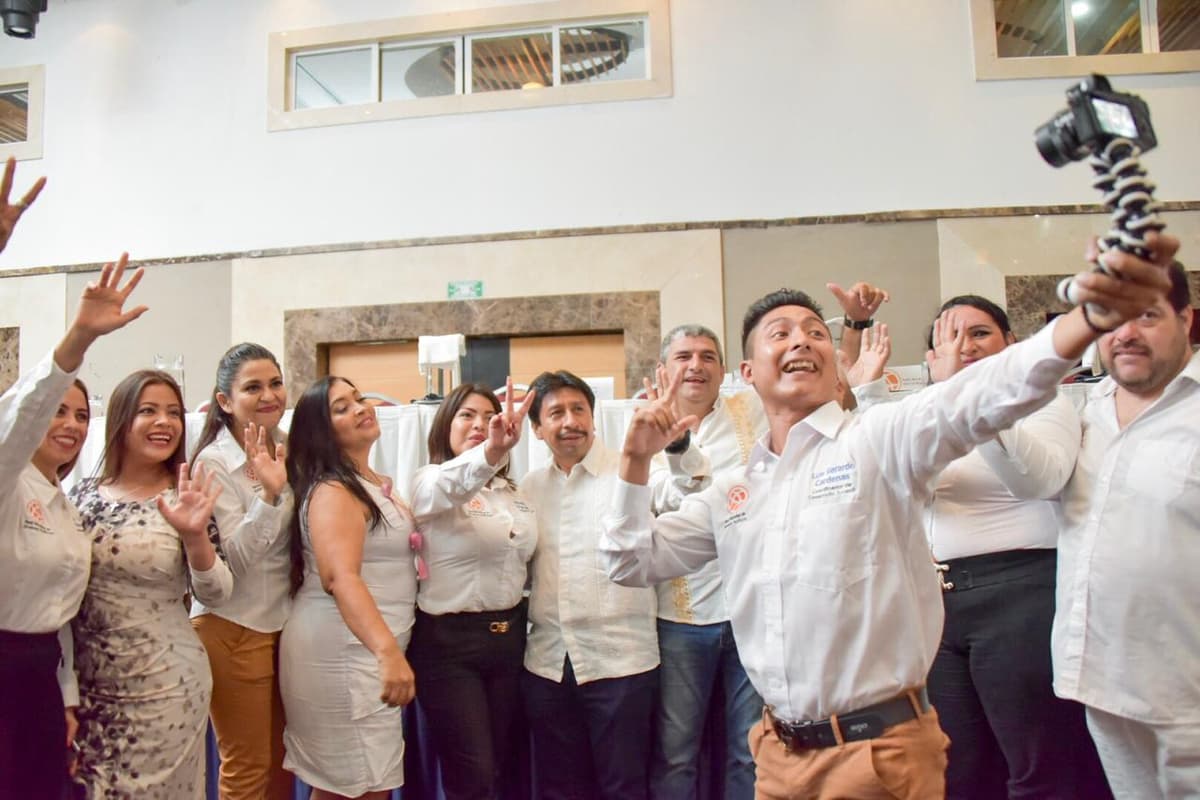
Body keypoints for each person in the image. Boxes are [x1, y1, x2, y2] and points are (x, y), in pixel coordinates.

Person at [598, 235, 1175, 799]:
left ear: (836, 365)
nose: (803, 340)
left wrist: (1087, 319)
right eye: (781, 333)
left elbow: (980, 396)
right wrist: (633, 460)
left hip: (878, 757)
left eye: (816, 333)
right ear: (748, 373)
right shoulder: (735, 492)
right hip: (775, 759)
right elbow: (629, 560)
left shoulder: (878, 440)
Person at [922, 295, 1109, 799]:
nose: (964, 346)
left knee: (1037, 767)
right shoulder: (921, 412)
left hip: (1021, 593)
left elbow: (1040, 479)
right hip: (939, 604)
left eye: (979, 332)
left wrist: (969, 398)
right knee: (956, 770)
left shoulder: (1045, 400)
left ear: (1011, 342)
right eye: (949, 335)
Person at [0, 162, 145, 796]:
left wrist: (65, 693)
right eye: (60, 410)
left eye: (82, 415)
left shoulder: (63, 504)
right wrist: (75, 343)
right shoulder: (7, 475)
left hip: (35, 675)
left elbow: (60, 614)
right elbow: (18, 417)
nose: (70, 424)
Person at [1055, 257, 1198, 798]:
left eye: (1147, 316)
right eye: (1111, 319)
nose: (1127, 335)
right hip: (1101, 683)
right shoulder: (1081, 411)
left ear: (1186, 319)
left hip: (1188, 699)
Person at [70, 370, 232, 799]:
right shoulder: (82, 495)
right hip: (89, 686)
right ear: (121, 420)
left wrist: (196, 536)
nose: (165, 422)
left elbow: (217, 593)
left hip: (165, 685)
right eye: (149, 411)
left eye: (173, 412)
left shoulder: (186, 496)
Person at [519, 370, 679, 800]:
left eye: (578, 409)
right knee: (560, 789)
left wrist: (677, 445)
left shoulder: (632, 469)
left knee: (623, 787)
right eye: (556, 413)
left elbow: (682, 494)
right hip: (548, 664)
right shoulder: (528, 489)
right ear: (537, 428)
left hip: (620, 662)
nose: (570, 421)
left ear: (593, 416)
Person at [279, 376, 418, 800]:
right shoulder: (333, 489)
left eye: (358, 398)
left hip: (366, 650)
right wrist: (387, 651)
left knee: (366, 787)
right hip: (344, 653)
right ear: (321, 431)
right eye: (341, 407)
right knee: (354, 787)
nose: (360, 408)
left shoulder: (370, 481)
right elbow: (340, 577)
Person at [647, 324, 765, 800]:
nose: (695, 366)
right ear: (662, 371)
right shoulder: (646, 423)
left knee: (749, 747)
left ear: (725, 370)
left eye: (707, 356)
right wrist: (677, 446)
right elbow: (667, 500)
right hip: (682, 616)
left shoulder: (753, 409)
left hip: (750, 610)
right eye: (683, 357)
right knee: (676, 752)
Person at [406, 379, 536, 799]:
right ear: (445, 424)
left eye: (489, 414)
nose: (481, 423)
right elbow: (454, 484)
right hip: (448, 647)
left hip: (510, 641)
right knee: (473, 773)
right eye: (467, 415)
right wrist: (492, 451)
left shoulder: (514, 493)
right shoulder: (429, 482)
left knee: (500, 768)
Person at [190, 343, 293, 800]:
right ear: (225, 401)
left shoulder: (290, 447)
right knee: (247, 766)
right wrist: (269, 497)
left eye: (275, 383)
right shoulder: (214, 463)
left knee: (285, 761)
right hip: (232, 626)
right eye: (253, 387)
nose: (269, 395)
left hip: (286, 626)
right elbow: (232, 560)